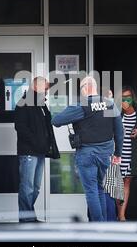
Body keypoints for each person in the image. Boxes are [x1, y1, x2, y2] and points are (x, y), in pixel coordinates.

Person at [51, 76, 123, 222]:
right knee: (100, 189)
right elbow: (119, 130)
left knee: (91, 190)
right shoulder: (110, 104)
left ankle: (97, 225)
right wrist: (118, 153)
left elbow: (56, 121)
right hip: (105, 154)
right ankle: (102, 225)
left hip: (87, 154)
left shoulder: (81, 105)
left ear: (84, 88)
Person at [14, 76, 60, 222]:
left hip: (40, 152)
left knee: (35, 188)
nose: (47, 91)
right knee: (27, 187)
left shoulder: (41, 104)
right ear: (36, 87)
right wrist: (37, 143)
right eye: (45, 88)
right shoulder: (23, 103)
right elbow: (20, 127)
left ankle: (28, 216)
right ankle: (25, 219)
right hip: (29, 152)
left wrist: (47, 146)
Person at [117, 86, 137, 221]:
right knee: (118, 184)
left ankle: (122, 215)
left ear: (132, 98)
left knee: (127, 182)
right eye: (123, 98)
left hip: (132, 154)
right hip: (119, 154)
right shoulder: (117, 113)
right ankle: (119, 214)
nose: (126, 100)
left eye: (128, 97)